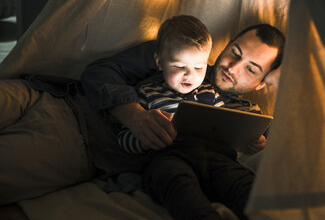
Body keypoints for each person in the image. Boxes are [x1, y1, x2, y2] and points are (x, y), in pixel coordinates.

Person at [0, 20, 284, 206]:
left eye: (251, 68)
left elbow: (282, 131)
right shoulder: (186, 55)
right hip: (46, 91)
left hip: (74, 138)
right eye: (235, 52)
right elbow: (101, 72)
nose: (233, 67)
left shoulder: (243, 119)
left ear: (262, 82)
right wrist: (132, 113)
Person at [109, 15, 254, 220]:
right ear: (160, 62)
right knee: (175, 183)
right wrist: (144, 138)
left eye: (199, 67)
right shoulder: (146, 92)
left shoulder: (209, 93)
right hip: (168, 158)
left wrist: (247, 138)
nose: (190, 75)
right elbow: (124, 138)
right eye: (179, 67)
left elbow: (227, 127)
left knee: (243, 183)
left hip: (214, 157)